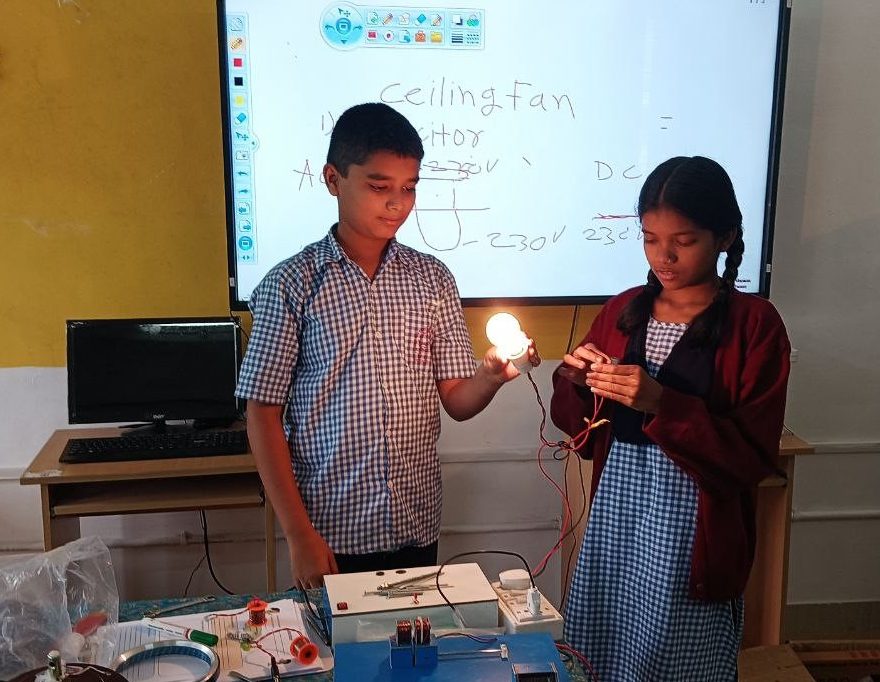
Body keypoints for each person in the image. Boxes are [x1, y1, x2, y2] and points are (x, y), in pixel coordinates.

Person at [236, 102, 539, 589]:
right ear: (333, 179)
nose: (397, 203)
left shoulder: (432, 279)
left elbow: (457, 401)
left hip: (414, 523)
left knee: (413, 637)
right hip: (330, 529)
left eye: (409, 187)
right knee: (334, 639)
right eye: (379, 187)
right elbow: (262, 414)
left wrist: (490, 377)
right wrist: (298, 534)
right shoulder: (291, 284)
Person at [551, 156, 790, 680]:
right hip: (616, 518)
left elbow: (750, 461)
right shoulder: (623, 311)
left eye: (684, 241)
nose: (664, 255)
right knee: (601, 652)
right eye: (650, 238)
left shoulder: (755, 324)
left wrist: (663, 403)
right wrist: (576, 380)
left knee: (672, 657)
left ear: (725, 236)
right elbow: (576, 426)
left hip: (690, 533)